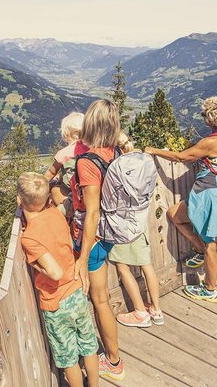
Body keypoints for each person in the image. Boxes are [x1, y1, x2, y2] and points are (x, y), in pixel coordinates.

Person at [146, 96, 217, 303]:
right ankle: (198, 249)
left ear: (210, 119)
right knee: (174, 214)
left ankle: (210, 289)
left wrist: (153, 151)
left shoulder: (210, 142)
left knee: (210, 245)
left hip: (208, 195)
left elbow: (180, 157)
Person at [18, 172, 99, 387]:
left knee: (68, 357)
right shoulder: (56, 214)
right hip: (77, 290)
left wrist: (32, 262)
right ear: (46, 199)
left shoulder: (29, 237)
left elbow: (54, 273)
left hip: (56, 302)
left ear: (19, 200)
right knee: (88, 344)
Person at [71, 99, 124, 381]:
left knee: (95, 300)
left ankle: (99, 361)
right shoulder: (113, 152)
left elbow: (91, 212)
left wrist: (82, 256)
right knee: (101, 299)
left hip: (90, 239)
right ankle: (113, 359)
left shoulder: (87, 163)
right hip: (108, 234)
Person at [110, 133, 164, 327]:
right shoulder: (143, 161)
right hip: (141, 221)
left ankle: (140, 313)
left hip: (123, 223)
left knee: (122, 266)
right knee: (146, 265)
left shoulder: (117, 167)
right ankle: (156, 310)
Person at [44, 112, 87, 218]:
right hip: (86, 191)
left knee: (53, 190)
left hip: (71, 194)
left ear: (67, 135)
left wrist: (39, 185)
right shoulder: (91, 150)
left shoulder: (65, 153)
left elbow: (51, 172)